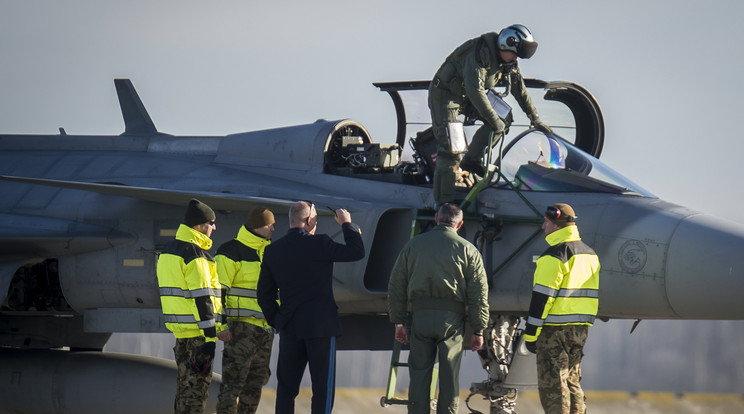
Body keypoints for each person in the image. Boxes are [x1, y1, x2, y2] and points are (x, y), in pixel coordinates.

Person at [256, 201, 365, 413]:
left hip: (290, 327)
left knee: (286, 389)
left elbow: (264, 295)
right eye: (314, 218)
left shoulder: (273, 251)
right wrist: (347, 224)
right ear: (308, 222)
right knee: (322, 389)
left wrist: (277, 320)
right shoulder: (321, 244)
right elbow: (356, 251)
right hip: (321, 328)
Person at [428, 24, 552, 204]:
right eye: (515, 54)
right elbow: (475, 91)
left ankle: (472, 160)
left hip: (466, 97)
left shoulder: (507, 62)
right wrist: (493, 119)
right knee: (451, 147)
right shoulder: (479, 54)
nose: (515, 59)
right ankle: (443, 204)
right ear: (505, 44)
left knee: (504, 119)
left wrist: (535, 118)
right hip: (446, 96)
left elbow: (520, 89)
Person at [387, 203, 489, 414]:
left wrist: (399, 322)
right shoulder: (469, 250)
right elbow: (479, 294)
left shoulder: (412, 246)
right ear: (459, 224)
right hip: (451, 323)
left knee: (419, 376)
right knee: (449, 378)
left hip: (420, 319)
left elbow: (396, 286)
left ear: (436, 218)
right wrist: (479, 329)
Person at [523, 203, 600, 414]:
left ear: (556, 225)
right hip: (580, 329)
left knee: (554, 388)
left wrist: (531, 336)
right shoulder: (589, 254)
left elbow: (542, 299)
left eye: (546, 222)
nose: (542, 227)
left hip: (554, 331)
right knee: (573, 382)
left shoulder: (554, 255)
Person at [156, 198, 227, 414]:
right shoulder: (196, 255)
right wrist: (209, 338)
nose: (214, 227)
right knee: (195, 397)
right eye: (211, 222)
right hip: (198, 336)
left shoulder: (168, 252)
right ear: (199, 225)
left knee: (183, 393)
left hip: (181, 335)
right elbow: (202, 296)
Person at [215, 206, 277, 414]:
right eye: (270, 225)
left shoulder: (269, 253)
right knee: (232, 385)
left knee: (255, 387)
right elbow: (217, 292)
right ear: (258, 226)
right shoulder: (230, 251)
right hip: (240, 330)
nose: (273, 229)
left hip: (265, 330)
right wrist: (220, 325)